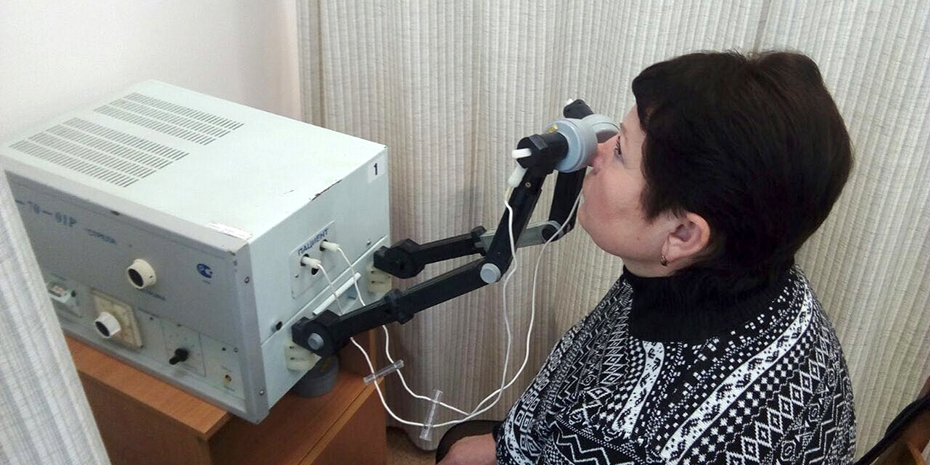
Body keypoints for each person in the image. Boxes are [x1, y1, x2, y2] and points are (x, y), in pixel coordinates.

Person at [437, 50, 856, 464]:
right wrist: (507, 442)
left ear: (683, 233)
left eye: (620, 151)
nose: (596, 151)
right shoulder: (752, 276)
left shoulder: (618, 442)